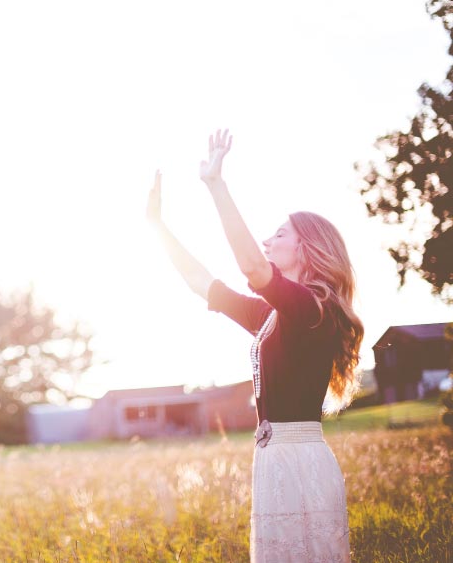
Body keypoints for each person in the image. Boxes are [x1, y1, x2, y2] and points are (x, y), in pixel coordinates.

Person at [146, 129, 362, 562]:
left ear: (308, 247)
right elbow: (201, 283)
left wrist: (216, 186)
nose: (267, 241)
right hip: (273, 461)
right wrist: (158, 227)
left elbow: (251, 266)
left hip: (301, 463)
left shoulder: (314, 308)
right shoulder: (274, 316)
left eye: (279, 234)